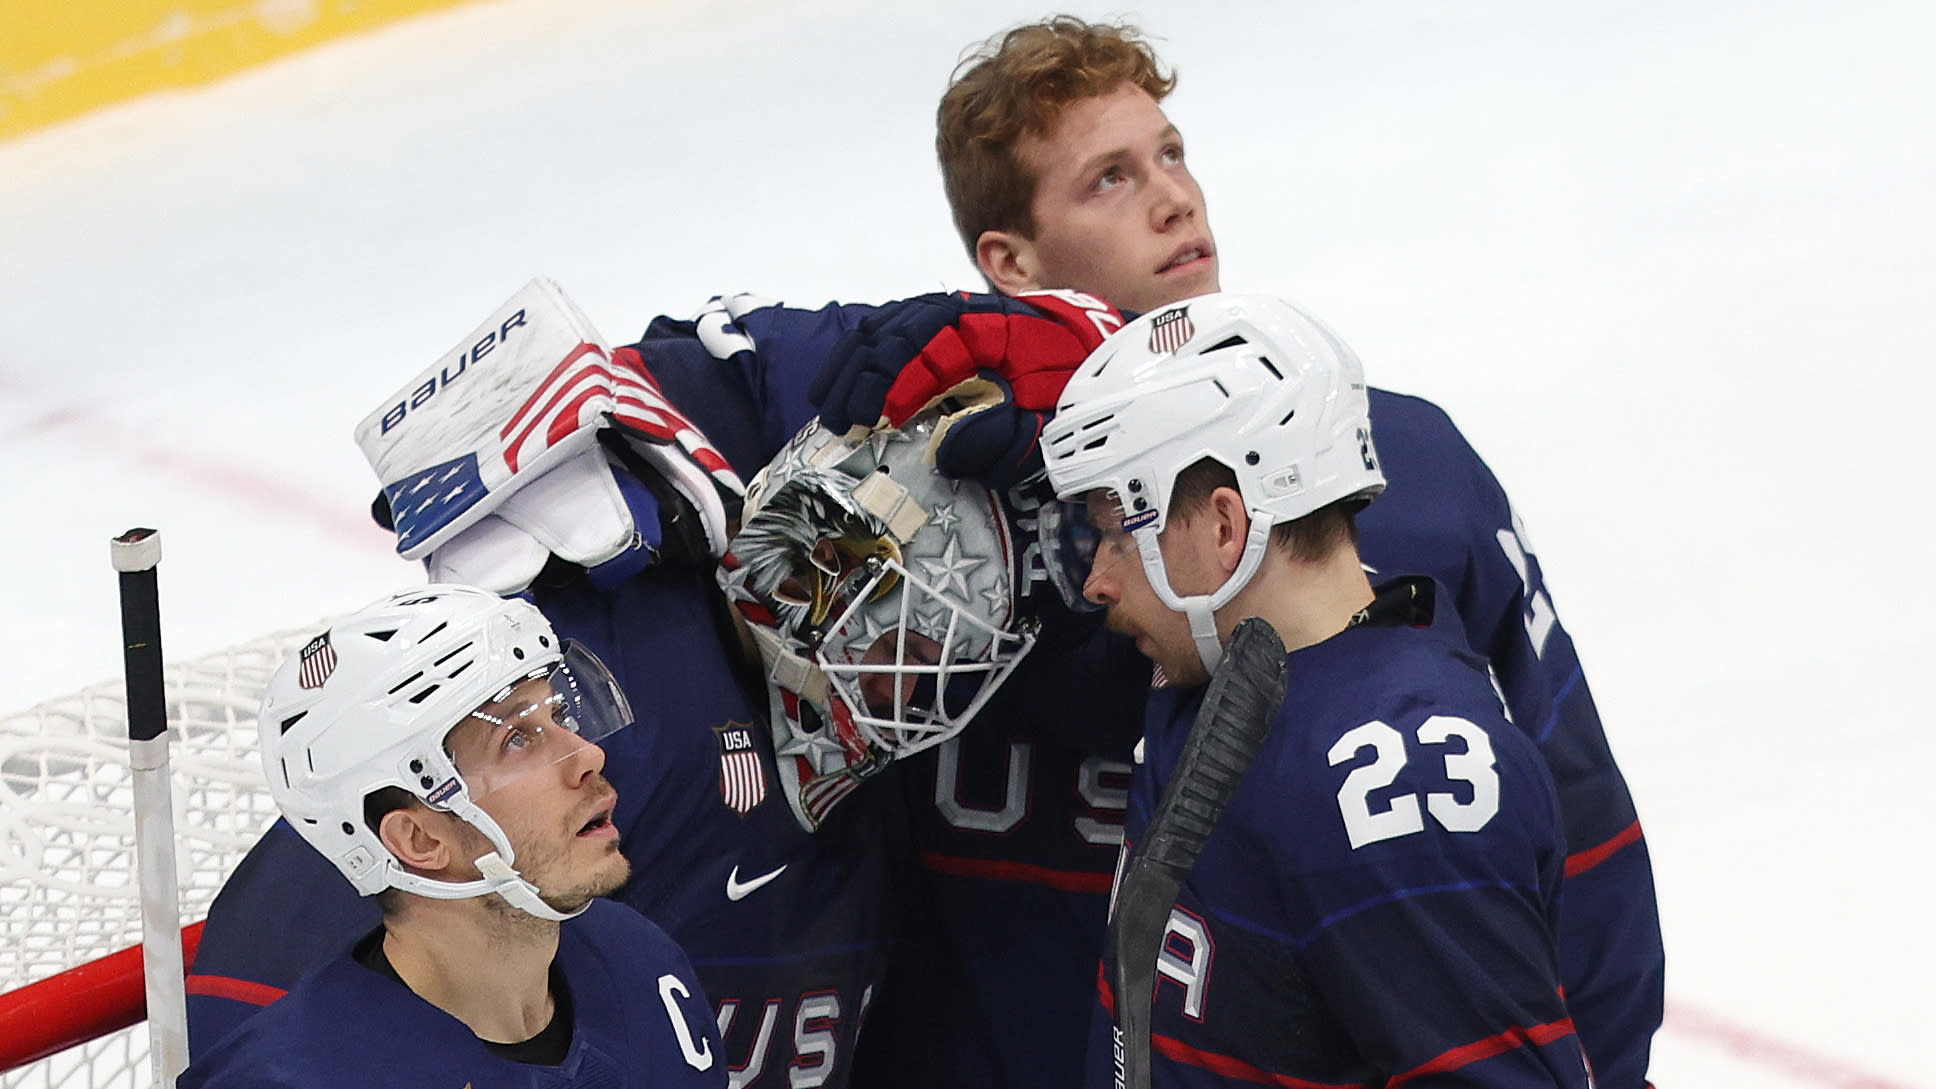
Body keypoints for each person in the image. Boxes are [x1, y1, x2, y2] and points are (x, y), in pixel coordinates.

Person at [813, 17, 1662, 1089]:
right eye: (1109, 180)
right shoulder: (933, 503)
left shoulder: (1412, 470)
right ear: (1009, 262)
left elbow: (1580, 825)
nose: (1175, 198)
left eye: (1170, 153)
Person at [185, 283, 1056, 1089]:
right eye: (916, 607)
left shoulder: (648, 960)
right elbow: (298, 939)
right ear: (811, 574)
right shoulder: (625, 686)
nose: (947, 648)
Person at [1042, 292, 1591, 1087]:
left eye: (1119, 529)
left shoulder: (1396, 790)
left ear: (1225, 527)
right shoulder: (1216, 667)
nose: (1096, 579)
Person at [180, 585, 725, 1088]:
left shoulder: (638, 959)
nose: (588, 755)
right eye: (517, 739)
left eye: (559, 716)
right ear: (418, 840)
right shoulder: (294, 1077)